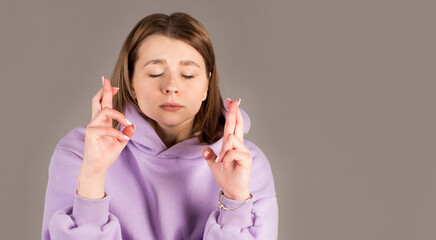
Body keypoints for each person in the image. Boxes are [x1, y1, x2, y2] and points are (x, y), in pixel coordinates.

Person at [41, 12, 278, 239]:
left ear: (207, 84)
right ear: (131, 82)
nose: (171, 86)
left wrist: (235, 201)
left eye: (187, 75)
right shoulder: (81, 152)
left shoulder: (245, 163)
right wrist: (92, 177)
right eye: (155, 73)